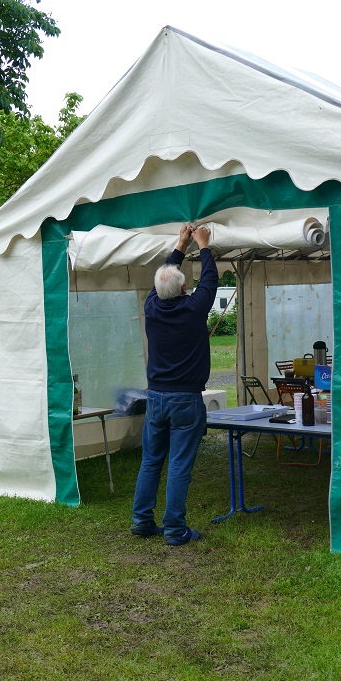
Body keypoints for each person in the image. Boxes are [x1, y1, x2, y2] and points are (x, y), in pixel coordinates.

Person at [131, 223, 218, 546]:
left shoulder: (151, 309)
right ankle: (174, 528)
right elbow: (210, 279)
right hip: (185, 400)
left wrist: (182, 244)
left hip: (155, 397)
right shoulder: (194, 309)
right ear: (184, 290)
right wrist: (204, 245)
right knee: (180, 463)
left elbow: (168, 279)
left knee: (151, 461)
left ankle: (142, 520)